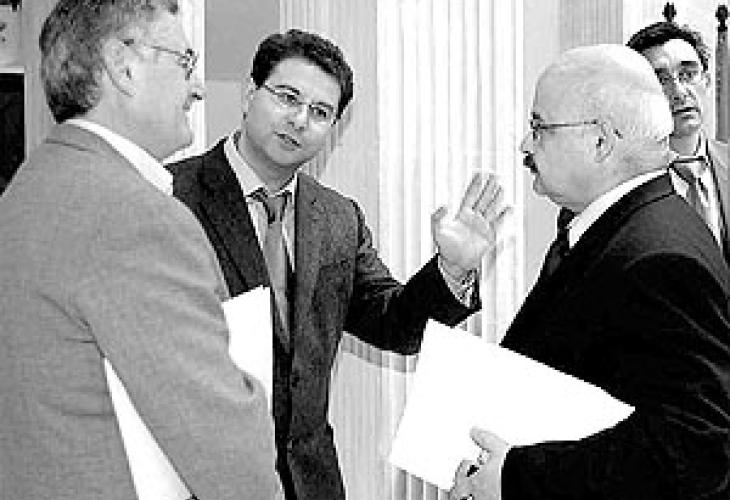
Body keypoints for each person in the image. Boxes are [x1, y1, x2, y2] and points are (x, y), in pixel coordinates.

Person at [168, 29, 505, 500]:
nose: (300, 120)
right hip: (198, 478)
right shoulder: (169, 196)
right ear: (249, 93)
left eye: (320, 112)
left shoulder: (337, 217)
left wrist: (451, 268)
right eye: (287, 97)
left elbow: (393, 324)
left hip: (311, 483)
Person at [0, 1, 280, 499]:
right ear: (123, 66)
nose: (198, 88)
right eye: (185, 63)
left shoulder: (28, 189)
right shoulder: (135, 217)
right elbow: (225, 448)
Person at [450, 44, 730, 500]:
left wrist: (515, 478)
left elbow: (692, 447)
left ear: (600, 142)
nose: (525, 145)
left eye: (539, 128)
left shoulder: (660, 258)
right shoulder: (610, 224)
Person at [629, 22, 728, 258]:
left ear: (707, 82)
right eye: (661, 81)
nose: (679, 92)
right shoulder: (621, 183)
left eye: (688, 75)